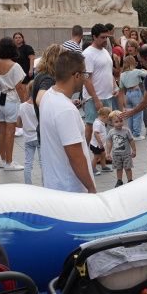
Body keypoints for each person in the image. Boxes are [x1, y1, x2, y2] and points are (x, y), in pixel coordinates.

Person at [39, 50, 96, 193]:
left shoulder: (48, 96)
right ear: (76, 75)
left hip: (54, 185)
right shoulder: (66, 110)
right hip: (71, 190)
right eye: (84, 74)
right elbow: (75, 156)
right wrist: (91, 188)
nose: (85, 78)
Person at [0, 37, 27, 171]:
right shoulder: (15, 66)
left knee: (2, 129)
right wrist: (25, 103)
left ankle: (2, 160)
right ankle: (9, 162)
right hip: (11, 99)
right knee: (10, 132)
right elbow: (20, 88)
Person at [82, 24, 119, 146]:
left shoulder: (105, 51)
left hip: (108, 96)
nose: (105, 40)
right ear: (94, 37)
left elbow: (109, 72)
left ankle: (101, 154)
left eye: (106, 37)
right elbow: (86, 79)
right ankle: (85, 154)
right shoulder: (88, 54)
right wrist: (96, 99)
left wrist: (115, 86)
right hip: (94, 98)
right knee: (91, 125)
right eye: (102, 37)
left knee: (105, 126)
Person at [105, 110, 135, 187]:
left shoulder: (126, 130)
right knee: (119, 169)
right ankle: (119, 180)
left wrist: (134, 150)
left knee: (128, 168)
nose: (119, 123)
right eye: (116, 122)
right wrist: (108, 153)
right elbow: (109, 143)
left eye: (121, 121)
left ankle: (130, 180)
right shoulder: (111, 132)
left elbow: (131, 140)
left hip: (126, 154)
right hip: (116, 155)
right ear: (111, 123)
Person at [119, 55, 146, 138]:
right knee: (138, 112)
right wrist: (144, 70)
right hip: (136, 92)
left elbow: (121, 88)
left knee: (130, 113)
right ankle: (136, 134)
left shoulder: (122, 74)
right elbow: (146, 75)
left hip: (128, 94)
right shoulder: (136, 71)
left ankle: (131, 132)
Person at [17, 89, 39, 185]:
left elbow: (18, 124)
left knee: (28, 163)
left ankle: (28, 185)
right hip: (39, 137)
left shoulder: (21, 106)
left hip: (28, 138)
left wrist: (26, 125)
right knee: (43, 163)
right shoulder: (40, 106)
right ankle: (46, 185)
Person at [89, 105, 113, 176]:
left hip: (100, 144)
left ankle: (103, 166)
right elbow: (96, 133)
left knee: (103, 154)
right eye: (108, 119)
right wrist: (100, 143)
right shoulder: (98, 123)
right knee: (96, 157)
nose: (108, 121)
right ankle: (92, 169)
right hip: (96, 145)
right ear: (104, 117)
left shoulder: (101, 122)